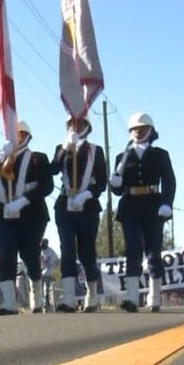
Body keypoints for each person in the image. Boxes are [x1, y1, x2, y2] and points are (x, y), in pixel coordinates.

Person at [109, 112, 176, 313]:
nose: (138, 132)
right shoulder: (122, 157)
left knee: (153, 251)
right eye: (134, 129)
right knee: (133, 251)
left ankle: (154, 297)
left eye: (142, 128)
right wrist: (115, 185)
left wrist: (167, 203)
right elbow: (118, 190)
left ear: (151, 131)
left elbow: (169, 181)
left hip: (153, 206)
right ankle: (131, 297)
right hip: (130, 207)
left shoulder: (160, 155)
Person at [0, 121, 52, 315]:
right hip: (3, 215)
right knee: (5, 256)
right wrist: (0, 159)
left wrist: (23, 201)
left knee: (30, 255)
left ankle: (37, 299)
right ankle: (9, 302)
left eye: (20, 135)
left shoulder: (38, 159)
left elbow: (46, 186)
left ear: (28, 137)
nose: (16, 138)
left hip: (31, 214)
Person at [50, 115, 107, 313]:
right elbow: (53, 169)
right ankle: (69, 298)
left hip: (87, 206)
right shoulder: (62, 148)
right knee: (67, 249)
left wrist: (87, 195)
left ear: (87, 127)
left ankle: (92, 296)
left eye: (80, 124)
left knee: (87, 251)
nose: (76, 127)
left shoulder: (95, 151)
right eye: (72, 124)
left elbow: (102, 182)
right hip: (65, 205)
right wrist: (65, 148)